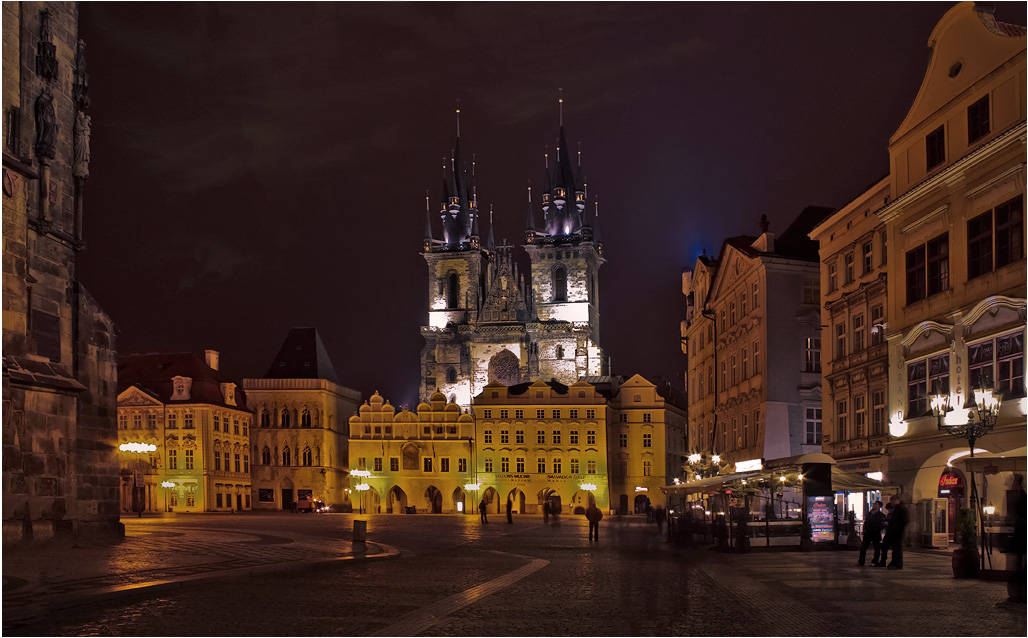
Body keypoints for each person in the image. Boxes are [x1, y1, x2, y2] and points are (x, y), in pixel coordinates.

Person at [997, 473, 1026, 608]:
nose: (1012, 485)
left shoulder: (1021, 499)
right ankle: (1018, 597)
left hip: (1020, 540)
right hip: (1020, 541)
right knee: (1018, 570)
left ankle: (1017, 598)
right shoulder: (1020, 498)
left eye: (1014, 483)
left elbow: (1017, 520)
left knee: (1016, 570)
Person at [858, 501, 885, 566]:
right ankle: (861, 561)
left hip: (875, 533)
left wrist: (877, 528)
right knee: (863, 547)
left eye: (876, 504)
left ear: (879, 506)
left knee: (877, 548)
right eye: (874, 504)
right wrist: (864, 529)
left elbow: (882, 525)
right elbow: (866, 522)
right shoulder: (869, 513)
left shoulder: (881, 515)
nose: (874, 505)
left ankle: (875, 561)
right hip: (867, 533)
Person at [886, 495, 909, 569]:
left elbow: (904, 521)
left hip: (898, 532)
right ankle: (894, 563)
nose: (891, 503)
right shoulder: (898, 508)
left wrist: (897, 528)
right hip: (895, 531)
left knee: (897, 548)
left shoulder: (901, 509)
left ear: (896, 500)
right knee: (895, 548)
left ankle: (898, 564)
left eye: (892, 501)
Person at [876, 502, 895, 566]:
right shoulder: (889, 514)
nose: (888, 511)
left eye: (889, 509)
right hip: (888, 533)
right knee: (884, 547)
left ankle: (892, 561)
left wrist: (888, 524)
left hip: (893, 534)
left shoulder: (895, 515)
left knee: (893, 549)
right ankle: (883, 561)